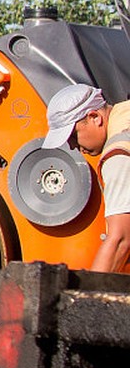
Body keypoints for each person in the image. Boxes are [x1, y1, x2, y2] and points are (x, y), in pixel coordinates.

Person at [42, 83, 130, 272]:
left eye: (74, 136)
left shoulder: (119, 152)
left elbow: (121, 240)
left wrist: (89, 297)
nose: (73, 147)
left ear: (95, 117)